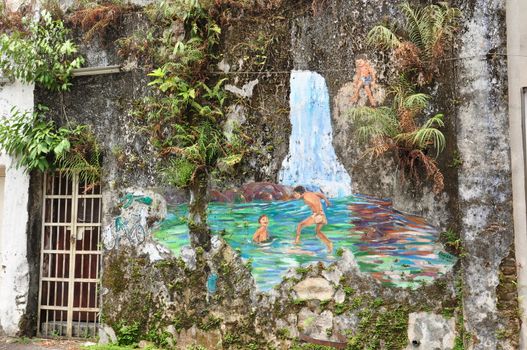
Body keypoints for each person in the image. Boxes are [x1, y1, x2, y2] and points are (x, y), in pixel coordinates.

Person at [292, 186, 333, 252]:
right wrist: (327, 201)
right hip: (322, 215)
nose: (294, 196)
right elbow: (320, 195)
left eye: (295, 194)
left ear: (300, 193)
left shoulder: (306, 198)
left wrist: (316, 214)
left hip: (318, 215)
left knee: (300, 225)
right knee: (318, 232)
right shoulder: (310, 193)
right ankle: (329, 244)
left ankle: (296, 243)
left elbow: (314, 203)